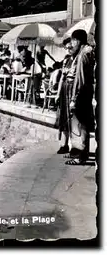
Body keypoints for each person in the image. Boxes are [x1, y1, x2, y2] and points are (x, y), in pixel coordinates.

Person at [56, 31, 95, 165]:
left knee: (79, 125)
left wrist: (74, 98)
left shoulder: (83, 54)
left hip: (81, 94)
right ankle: (81, 153)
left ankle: (79, 155)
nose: (71, 44)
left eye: (73, 41)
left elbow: (80, 79)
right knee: (82, 123)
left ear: (78, 41)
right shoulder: (86, 52)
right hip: (86, 93)